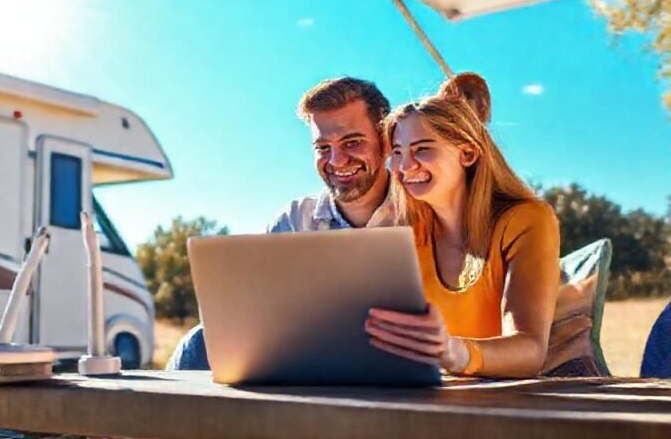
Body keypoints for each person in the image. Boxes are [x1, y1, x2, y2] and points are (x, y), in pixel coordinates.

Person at [167, 77, 393, 370]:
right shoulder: (294, 219)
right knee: (199, 342)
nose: (336, 160)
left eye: (352, 142)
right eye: (323, 147)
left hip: (387, 362)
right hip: (309, 363)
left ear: (386, 142)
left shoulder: (421, 212)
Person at [365, 73, 559, 377]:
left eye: (422, 149)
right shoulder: (403, 235)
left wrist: (454, 352)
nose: (404, 167)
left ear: (467, 153)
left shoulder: (526, 221)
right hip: (428, 401)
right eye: (398, 153)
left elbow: (530, 350)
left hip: (505, 403)